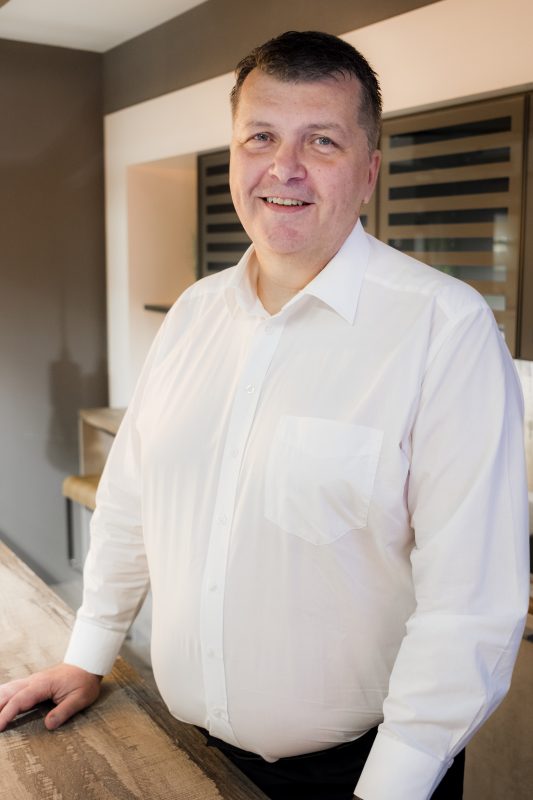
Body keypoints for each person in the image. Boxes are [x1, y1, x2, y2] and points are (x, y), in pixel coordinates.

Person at [0, 30, 529, 800]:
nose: (284, 167)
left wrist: (390, 786)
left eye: (321, 140)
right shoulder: (192, 314)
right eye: (260, 137)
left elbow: (470, 605)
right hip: (185, 746)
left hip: (361, 775)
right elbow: (131, 503)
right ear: (233, 155)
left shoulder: (443, 329)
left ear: (368, 171)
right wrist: (88, 653)